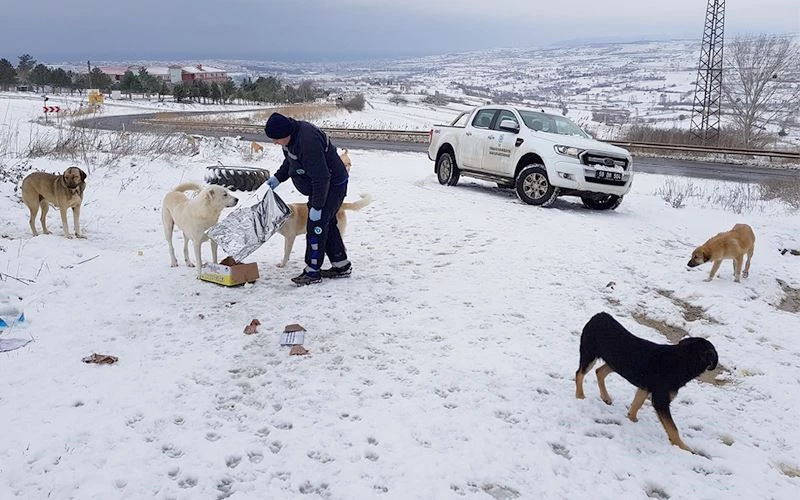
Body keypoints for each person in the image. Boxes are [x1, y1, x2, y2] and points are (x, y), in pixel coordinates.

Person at [264, 112, 351, 286]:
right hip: (321, 186)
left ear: (285, 133)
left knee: (316, 226)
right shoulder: (291, 138)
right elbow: (290, 162)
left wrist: (317, 207)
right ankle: (341, 265)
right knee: (327, 223)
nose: (275, 142)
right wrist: (277, 178)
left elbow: (322, 177)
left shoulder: (307, 141)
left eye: (276, 139)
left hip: (332, 185)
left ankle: (312, 272)